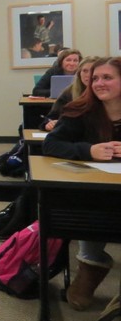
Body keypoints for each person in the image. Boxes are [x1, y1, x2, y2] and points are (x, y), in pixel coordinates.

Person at [42, 56, 121, 312]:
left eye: (107, 77)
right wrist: (89, 150)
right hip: (94, 192)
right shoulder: (80, 110)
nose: (98, 83)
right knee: (92, 214)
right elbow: (51, 144)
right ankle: (89, 266)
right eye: (95, 78)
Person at [39, 56, 99, 131]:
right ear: (79, 73)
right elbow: (51, 117)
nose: (88, 75)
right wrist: (49, 124)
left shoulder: (104, 93)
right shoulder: (69, 92)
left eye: (92, 71)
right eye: (84, 71)